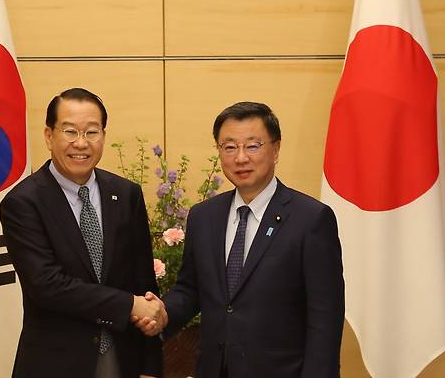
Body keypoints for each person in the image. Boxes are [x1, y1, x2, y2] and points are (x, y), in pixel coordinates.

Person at [137, 101, 345, 378]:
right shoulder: (204, 216)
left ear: (276, 149)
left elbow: (325, 317)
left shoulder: (311, 219)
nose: (241, 158)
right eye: (230, 147)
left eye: (253, 146)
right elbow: (190, 290)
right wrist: (163, 313)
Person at [0, 88, 164, 378]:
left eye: (91, 132)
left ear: (103, 135)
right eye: (70, 131)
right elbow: (47, 286)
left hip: (122, 359)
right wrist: (129, 305)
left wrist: (151, 365)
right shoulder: (23, 203)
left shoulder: (126, 194)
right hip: (55, 364)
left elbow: (144, 283)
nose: (81, 143)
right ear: (49, 136)